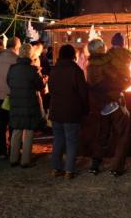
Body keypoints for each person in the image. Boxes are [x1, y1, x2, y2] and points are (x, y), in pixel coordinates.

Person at [87, 37, 131, 177]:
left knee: (101, 133)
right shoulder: (108, 63)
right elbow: (119, 80)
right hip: (114, 101)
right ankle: (116, 167)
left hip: (98, 104)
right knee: (123, 132)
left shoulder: (89, 66)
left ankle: (95, 164)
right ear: (101, 48)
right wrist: (127, 82)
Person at [48, 44, 89, 179]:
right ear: (72, 55)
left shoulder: (54, 70)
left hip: (56, 110)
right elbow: (83, 92)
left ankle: (55, 168)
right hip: (71, 111)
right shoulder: (76, 70)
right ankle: (69, 171)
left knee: (58, 139)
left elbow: (51, 89)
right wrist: (85, 108)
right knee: (71, 141)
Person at [7, 43, 46, 168]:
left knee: (16, 130)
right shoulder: (32, 70)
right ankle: (25, 160)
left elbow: (9, 82)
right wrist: (41, 76)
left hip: (16, 102)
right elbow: (41, 86)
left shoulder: (12, 68)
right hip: (29, 103)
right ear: (30, 54)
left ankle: (13, 158)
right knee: (29, 131)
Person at [0, 37, 21, 158]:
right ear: (17, 47)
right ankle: (13, 150)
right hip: (12, 96)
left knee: (0, 125)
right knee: (13, 125)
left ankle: (1, 151)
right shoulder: (17, 59)